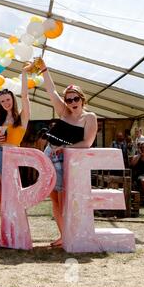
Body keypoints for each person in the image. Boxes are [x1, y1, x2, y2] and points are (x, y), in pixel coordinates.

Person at [35, 58, 98, 247]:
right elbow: (51, 91)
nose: (72, 102)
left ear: (82, 99)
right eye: (69, 99)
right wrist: (44, 69)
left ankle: (69, 235)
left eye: (75, 98)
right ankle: (63, 235)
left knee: (64, 201)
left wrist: (65, 148)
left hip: (66, 159)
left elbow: (87, 143)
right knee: (53, 200)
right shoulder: (64, 112)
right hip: (49, 155)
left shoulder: (90, 117)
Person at [0, 63, 30, 216]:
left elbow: (25, 96)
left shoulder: (22, 117)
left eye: (8, 99)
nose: (6, 103)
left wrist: (23, 73)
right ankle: (4, 232)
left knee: (13, 197)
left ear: (13, 99)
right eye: (2, 101)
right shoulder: (0, 117)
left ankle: (16, 229)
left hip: (11, 157)